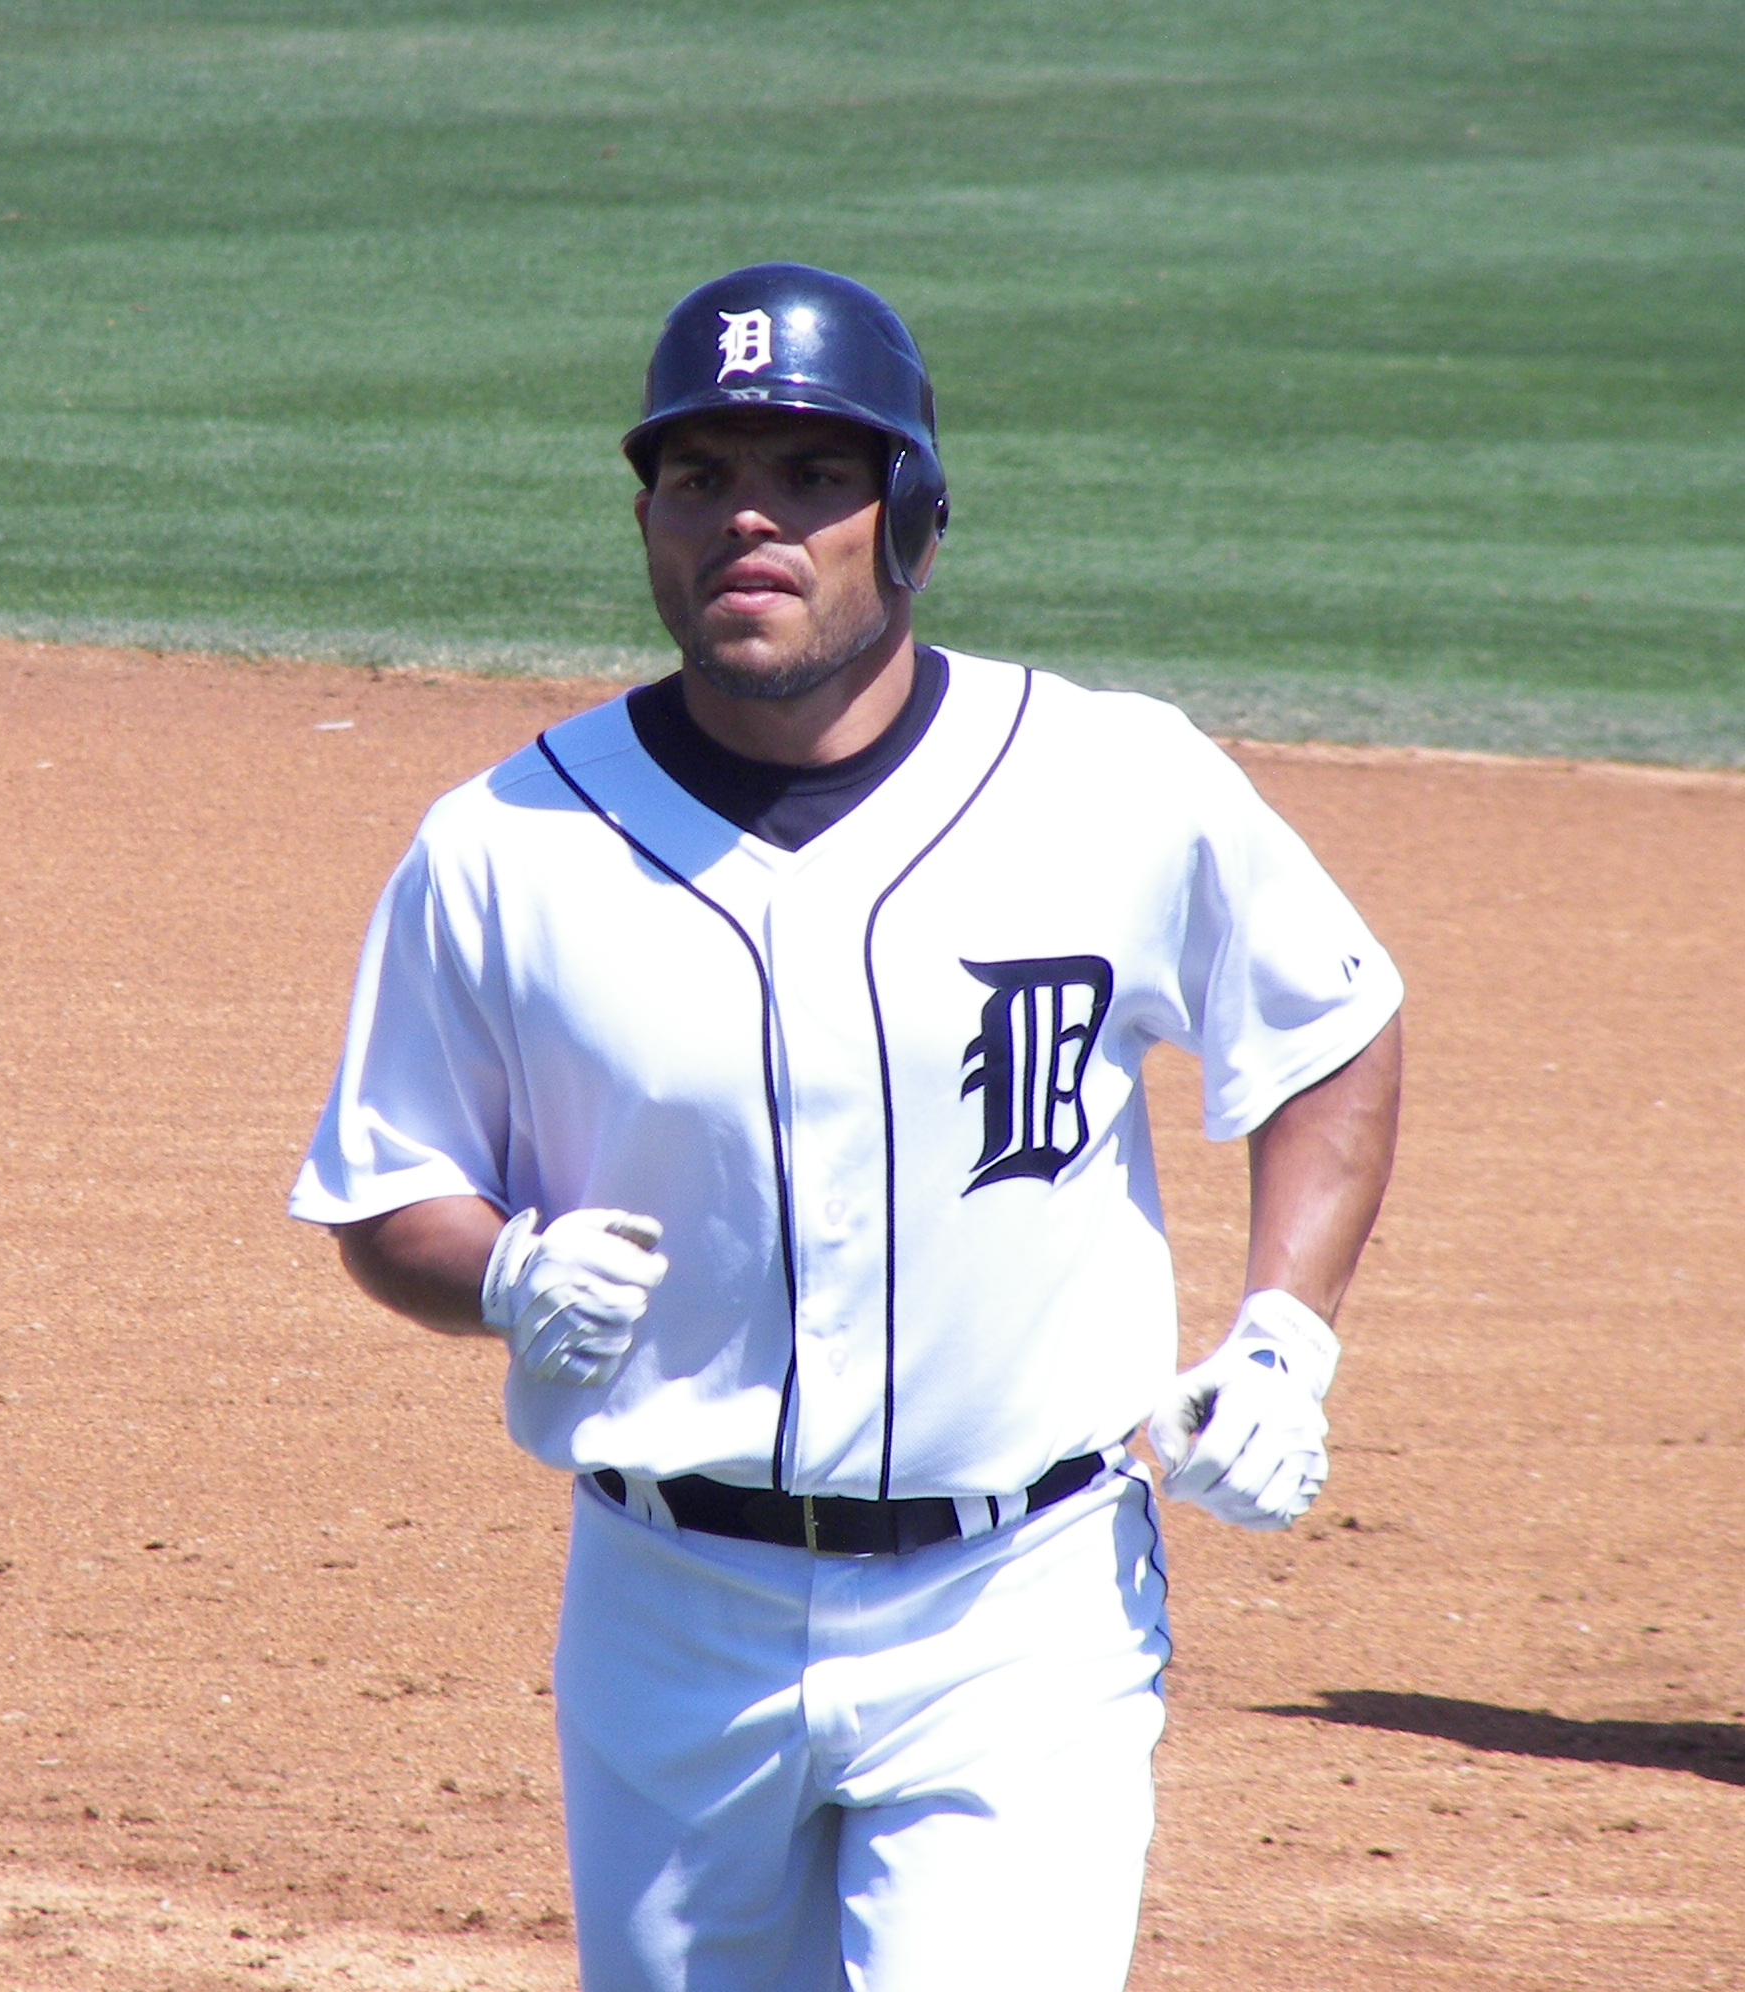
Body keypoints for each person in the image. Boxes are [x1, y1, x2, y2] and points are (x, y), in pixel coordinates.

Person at [290, 263, 1403, 1991]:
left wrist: (1282, 1343)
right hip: (669, 1616)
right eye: (700, 476)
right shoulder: (505, 842)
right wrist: (500, 1272)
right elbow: (386, 1191)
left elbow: (1330, 1027)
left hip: (1019, 1609)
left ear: (916, 521)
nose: (752, 518)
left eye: (815, 478)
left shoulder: (1114, 781)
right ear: (649, 522)